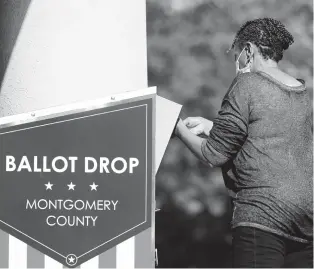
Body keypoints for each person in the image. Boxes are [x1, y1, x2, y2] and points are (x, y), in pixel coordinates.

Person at [174, 18, 313, 268]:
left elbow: (212, 154)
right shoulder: (303, 94)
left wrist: (179, 128)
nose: (236, 63)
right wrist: (213, 126)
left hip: (262, 219)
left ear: (248, 50)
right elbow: (268, 140)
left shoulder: (246, 85)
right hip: (306, 224)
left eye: (236, 55)